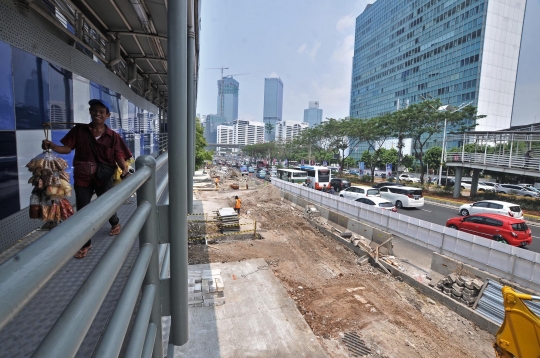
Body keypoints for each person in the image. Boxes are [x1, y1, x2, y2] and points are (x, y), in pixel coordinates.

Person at [42, 99, 132, 259]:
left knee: (108, 204)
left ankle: (115, 222)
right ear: (90, 112)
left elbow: (119, 155)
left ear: (107, 115)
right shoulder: (79, 131)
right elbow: (67, 148)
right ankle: (86, 243)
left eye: (101, 112)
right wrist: (52, 146)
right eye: (94, 110)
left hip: (104, 177)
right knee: (83, 210)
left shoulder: (113, 136)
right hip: (83, 176)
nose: (97, 114)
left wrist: (125, 169)